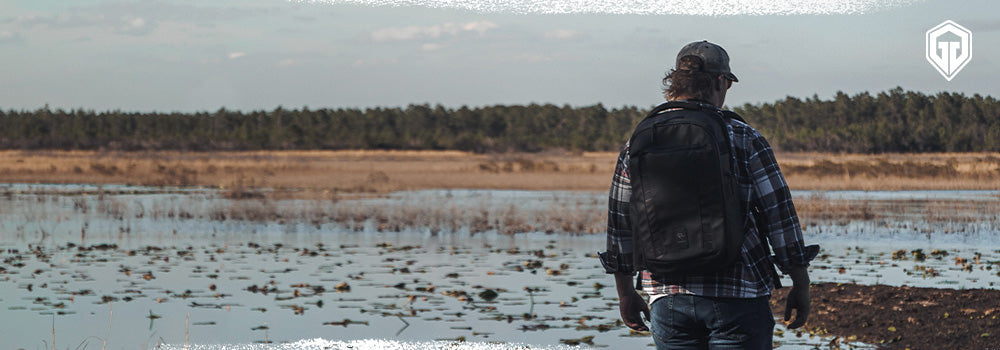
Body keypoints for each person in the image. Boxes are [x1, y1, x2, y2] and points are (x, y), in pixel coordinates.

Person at [598, 40, 819, 349]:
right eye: (727, 83)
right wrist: (800, 283)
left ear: (675, 82)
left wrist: (625, 292)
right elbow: (779, 214)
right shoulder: (744, 137)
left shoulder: (639, 139)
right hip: (738, 296)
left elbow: (620, 221)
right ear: (720, 81)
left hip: (667, 296)